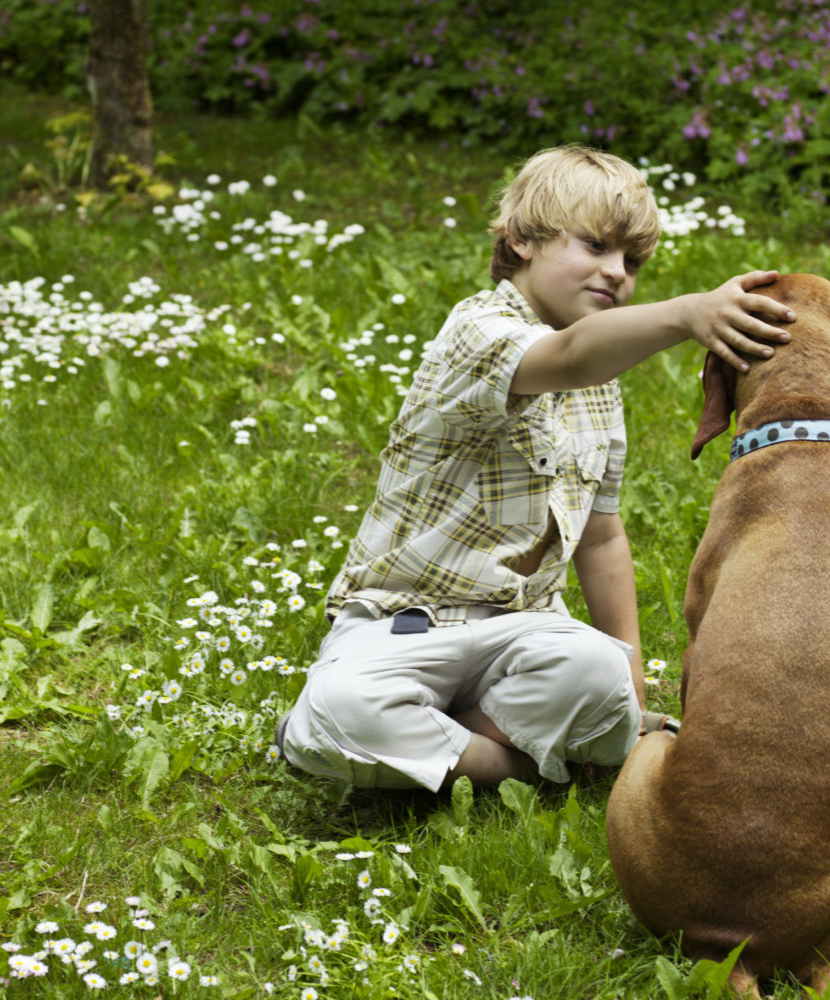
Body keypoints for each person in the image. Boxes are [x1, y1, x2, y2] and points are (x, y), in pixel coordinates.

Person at [277, 145, 794, 791]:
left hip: (523, 631)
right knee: (339, 714)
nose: (617, 273)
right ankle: (516, 765)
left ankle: (444, 750)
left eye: (632, 261)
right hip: (403, 625)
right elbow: (571, 356)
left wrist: (628, 691)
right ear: (522, 239)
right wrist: (687, 313)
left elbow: (602, 538)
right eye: (596, 246)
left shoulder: (600, 387)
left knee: (600, 672)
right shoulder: (478, 331)